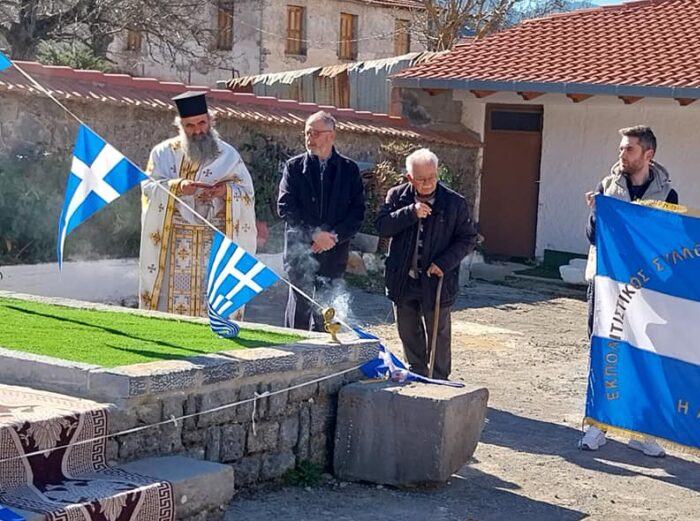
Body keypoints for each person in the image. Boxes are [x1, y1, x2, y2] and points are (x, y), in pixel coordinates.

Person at [582, 125, 678, 457]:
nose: (621, 155)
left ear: (648, 155)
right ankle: (597, 424)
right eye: (621, 148)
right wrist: (597, 213)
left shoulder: (668, 196)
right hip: (606, 286)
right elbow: (593, 237)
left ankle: (640, 429)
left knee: (643, 355)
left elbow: (668, 243)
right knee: (603, 352)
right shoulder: (607, 187)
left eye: (629, 150)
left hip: (646, 290)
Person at [139, 91, 256, 317]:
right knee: (170, 306)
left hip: (214, 241)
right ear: (180, 126)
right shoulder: (163, 153)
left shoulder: (228, 155)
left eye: (202, 122)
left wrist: (225, 191)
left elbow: (247, 193)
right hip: (173, 242)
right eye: (190, 125)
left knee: (210, 302)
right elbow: (149, 187)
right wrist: (177, 186)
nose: (198, 130)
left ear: (210, 121)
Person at [375, 148, 477, 380]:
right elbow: (382, 226)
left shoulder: (454, 203)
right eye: (421, 179)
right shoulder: (396, 196)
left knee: (438, 334)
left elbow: (468, 239)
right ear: (409, 178)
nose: (428, 183)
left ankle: (439, 379)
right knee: (408, 330)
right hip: (404, 278)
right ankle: (417, 373)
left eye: (432, 177)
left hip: (437, 279)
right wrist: (411, 212)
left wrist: (444, 262)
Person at [277, 111, 365, 331]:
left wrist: (334, 237)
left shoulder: (349, 170)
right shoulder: (294, 167)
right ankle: (294, 360)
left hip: (334, 253)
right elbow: (285, 206)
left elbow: (357, 213)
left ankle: (324, 360)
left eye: (316, 133)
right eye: (307, 132)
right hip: (300, 251)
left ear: (331, 136)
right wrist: (314, 234)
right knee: (299, 310)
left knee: (326, 313)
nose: (310, 138)